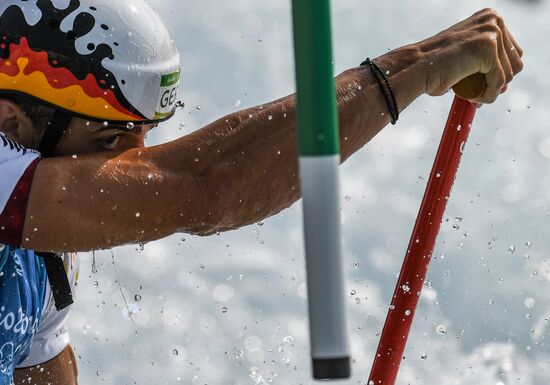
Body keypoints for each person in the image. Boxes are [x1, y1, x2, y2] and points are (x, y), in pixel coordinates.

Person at [0, 0, 522, 383]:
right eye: (110, 138)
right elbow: (206, 186)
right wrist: (413, 69)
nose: (133, 159)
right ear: (10, 120)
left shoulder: (37, 239)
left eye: (143, 133)